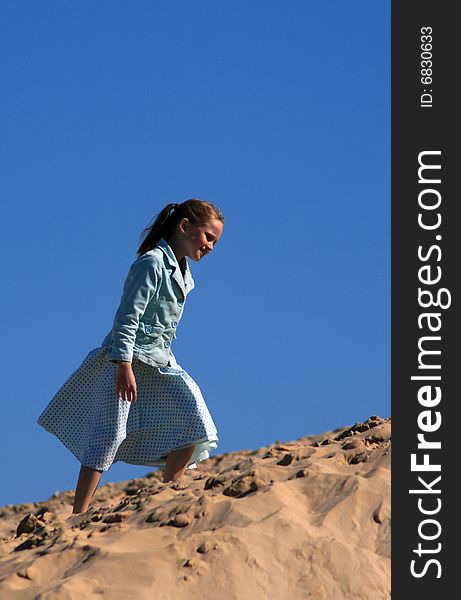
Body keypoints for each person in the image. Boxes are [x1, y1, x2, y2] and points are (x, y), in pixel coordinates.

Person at [37, 198, 224, 514]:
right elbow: (127, 317)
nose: (210, 247)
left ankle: (168, 495)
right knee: (107, 436)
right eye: (208, 237)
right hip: (125, 359)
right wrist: (123, 364)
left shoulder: (183, 271)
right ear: (184, 226)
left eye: (215, 242)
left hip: (160, 361)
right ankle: (78, 513)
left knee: (193, 420)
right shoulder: (151, 263)